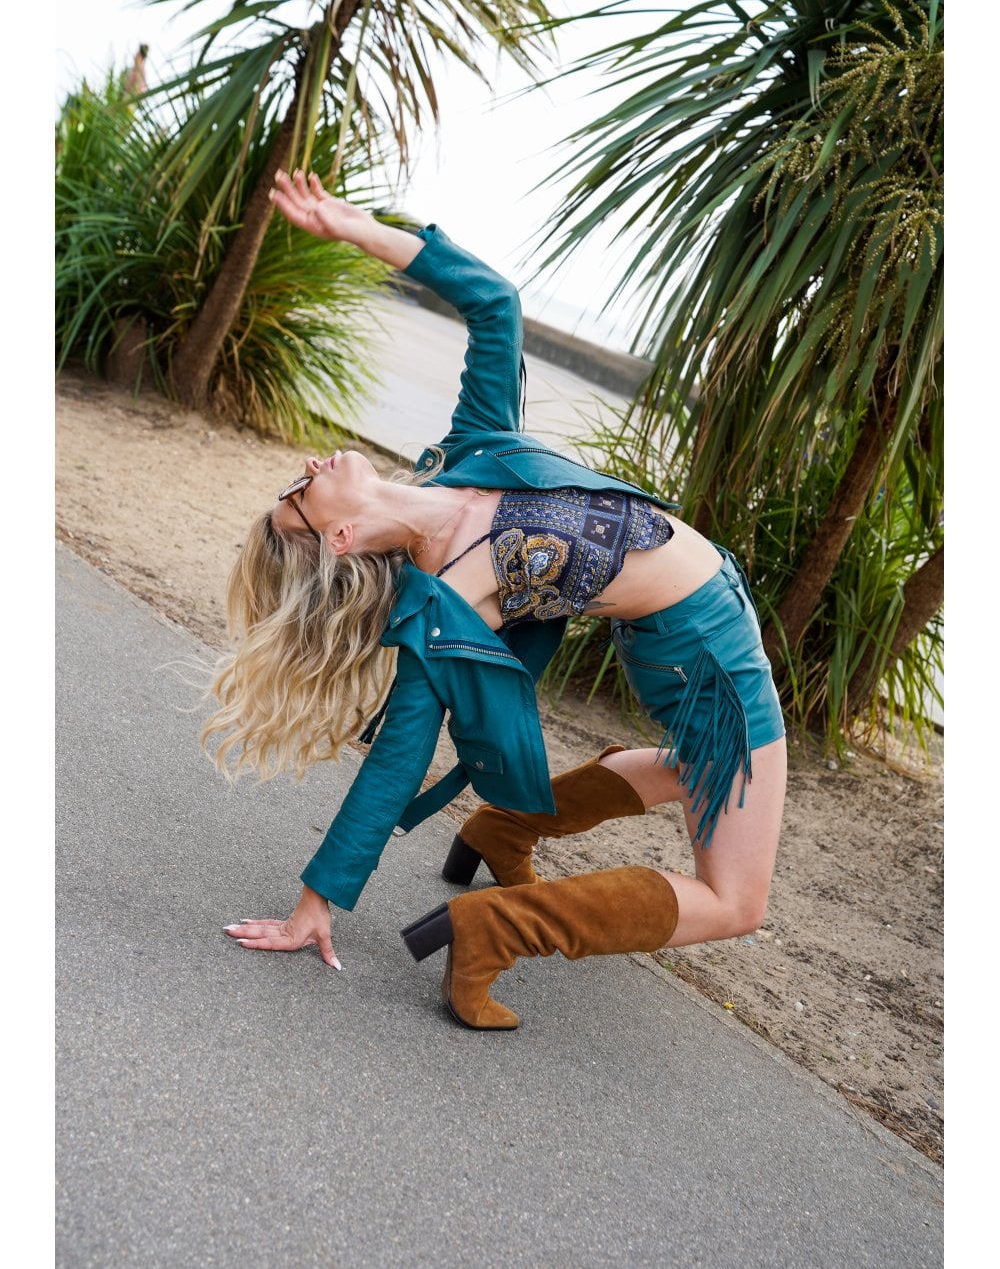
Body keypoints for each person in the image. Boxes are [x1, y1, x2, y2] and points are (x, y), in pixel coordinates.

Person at [210, 169, 787, 1031]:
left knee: (694, 776)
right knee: (736, 901)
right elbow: (397, 758)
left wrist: (353, 226)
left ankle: (503, 832)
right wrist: (316, 902)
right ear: (333, 540)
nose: (311, 464)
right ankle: (498, 927)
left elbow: (495, 307)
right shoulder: (449, 603)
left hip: (688, 625)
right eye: (300, 490)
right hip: (705, 652)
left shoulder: (467, 453)